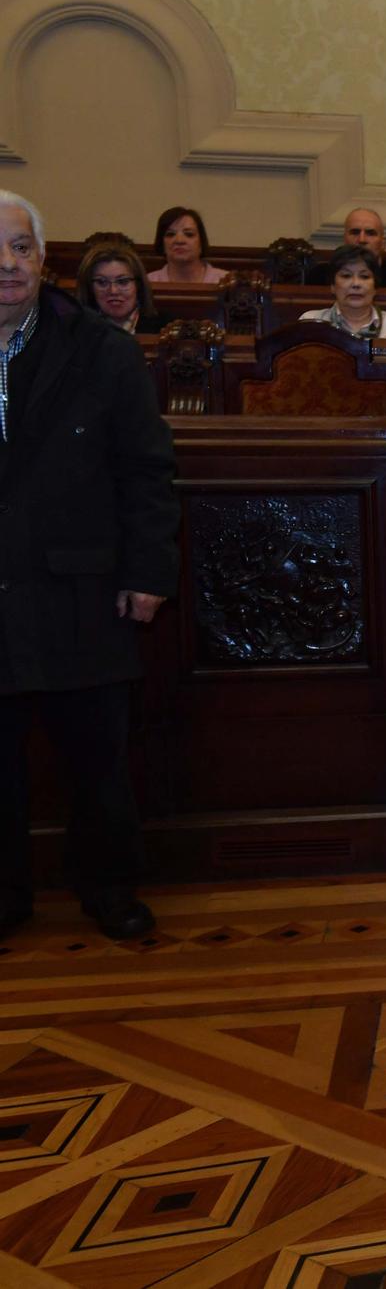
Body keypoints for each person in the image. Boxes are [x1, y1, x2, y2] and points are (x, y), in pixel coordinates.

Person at [0, 190, 177, 943]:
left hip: (83, 587)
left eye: (19, 247)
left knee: (98, 757)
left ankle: (108, 886)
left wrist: (148, 570)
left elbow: (145, 469)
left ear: (44, 259)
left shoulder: (101, 347)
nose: (5, 264)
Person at [297, 246, 386, 340]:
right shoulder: (310, 322)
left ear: (375, 287)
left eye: (364, 276)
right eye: (346, 276)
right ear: (332, 286)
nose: (356, 284)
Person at [305, 208, 386, 288]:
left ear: (383, 244)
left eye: (370, 233)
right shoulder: (319, 277)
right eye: (355, 232)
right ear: (344, 240)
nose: (362, 240)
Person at [77, 239, 169, 334]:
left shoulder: (165, 327)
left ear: (138, 285)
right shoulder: (76, 328)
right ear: (89, 287)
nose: (113, 291)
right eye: (102, 282)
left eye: (123, 281)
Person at [147, 207, 225, 284]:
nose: (179, 241)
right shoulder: (147, 283)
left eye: (189, 234)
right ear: (162, 244)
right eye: (170, 234)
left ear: (201, 243)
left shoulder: (226, 282)